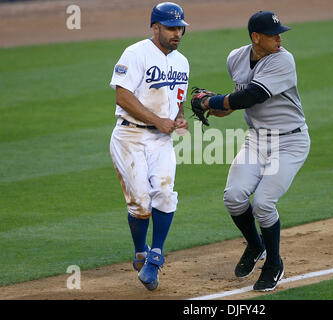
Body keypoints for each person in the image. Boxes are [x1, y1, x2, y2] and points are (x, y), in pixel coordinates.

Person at [199, 11, 310, 291]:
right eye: (273, 34)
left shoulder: (284, 59)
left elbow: (252, 95)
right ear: (256, 37)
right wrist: (216, 108)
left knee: (262, 202)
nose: (280, 38)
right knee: (234, 197)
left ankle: (274, 263)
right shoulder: (235, 58)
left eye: (280, 33)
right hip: (257, 139)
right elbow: (239, 102)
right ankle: (255, 245)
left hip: (290, 142)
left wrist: (209, 100)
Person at [109, 2, 189, 291]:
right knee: (141, 204)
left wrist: (178, 119)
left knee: (165, 195)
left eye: (180, 27)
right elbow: (122, 96)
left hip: (161, 141)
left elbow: (175, 101)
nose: (176, 33)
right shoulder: (136, 53)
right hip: (130, 137)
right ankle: (140, 249)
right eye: (170, 27)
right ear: (155, 27)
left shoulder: (182, 62)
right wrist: (158, 119)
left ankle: (155, 255)